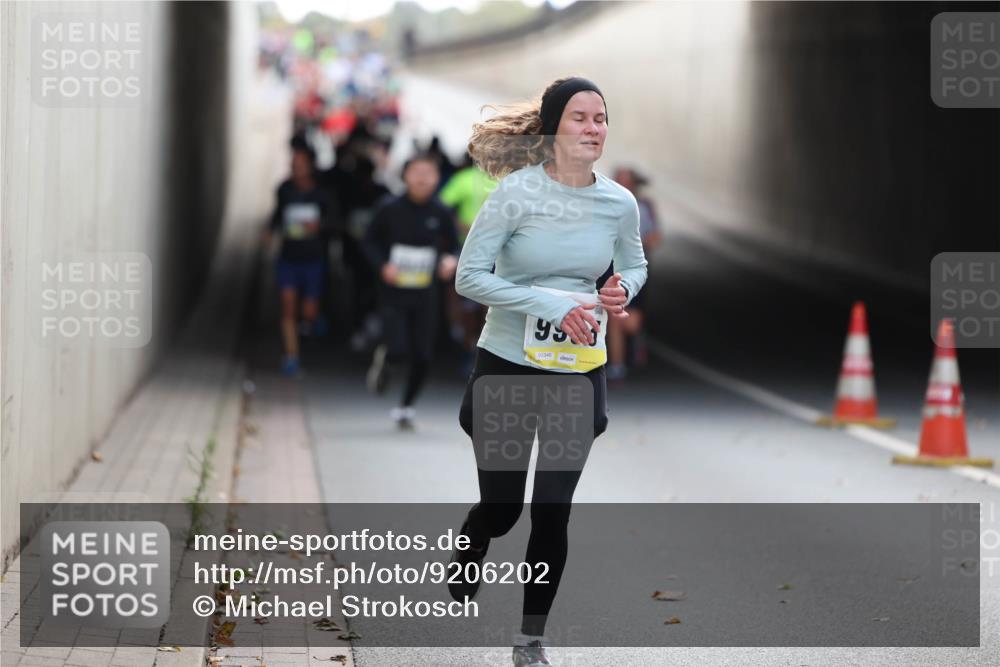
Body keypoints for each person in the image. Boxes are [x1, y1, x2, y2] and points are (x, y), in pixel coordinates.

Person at [451, 77, 647, 666]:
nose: (593, 128)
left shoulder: (619, 202)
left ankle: (530, 640)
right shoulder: (516, 194)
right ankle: (476, 536)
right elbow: (469, 278)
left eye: (601, 118)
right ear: (554, 128)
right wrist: (551, 305)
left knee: (552, 508)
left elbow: (634, 264)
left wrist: (621, 290)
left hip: (577, 369)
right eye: (580, 117)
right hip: (507, 365)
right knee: (504, 509)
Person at [363, 154, 460, 430]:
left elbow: (456, 246)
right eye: (416, 172)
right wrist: (382, 266)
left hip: (426, 292)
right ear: (405, 176)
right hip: (394, 291)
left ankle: (406, 406)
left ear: (437, 179)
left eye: (428, 173)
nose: (422, 179)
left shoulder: (441, 212)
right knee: (397, 348)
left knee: (424, 355)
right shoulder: (389, 207)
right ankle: (386, 359)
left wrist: (451, 261)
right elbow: (368, 241)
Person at [264, 144, 335, 376]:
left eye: (301, 165)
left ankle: (314, 319)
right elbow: (278, 213)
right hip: (288, 258)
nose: (297, 169)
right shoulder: (284, 190)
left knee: (308, 312)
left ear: (310, 167)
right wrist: (270, 231)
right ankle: (291, 356)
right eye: (294, 165)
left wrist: (320, 226)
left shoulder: (322, 195)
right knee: (287, 307)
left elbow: (335, 222)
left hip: (313, 260)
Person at [438, 153, 497, 376]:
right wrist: (457, 225)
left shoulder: (512, 179)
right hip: (468, 249)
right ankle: (469, 347)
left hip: (500, 252)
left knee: (490, 306)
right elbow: (441, 206)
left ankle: (484, 351)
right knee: (468, 306)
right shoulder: (464, 178)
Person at [606, 166, 662, 383]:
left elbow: (655, 238)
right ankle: (617, 365)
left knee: (631, 323)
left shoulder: (645, 206)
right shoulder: (606, 203)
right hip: (612, 267)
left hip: (637, 268)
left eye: (625, 180)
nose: (621, 184)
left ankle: (636, 341)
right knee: (614, 315)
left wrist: (634, 242)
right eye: (618, 180)